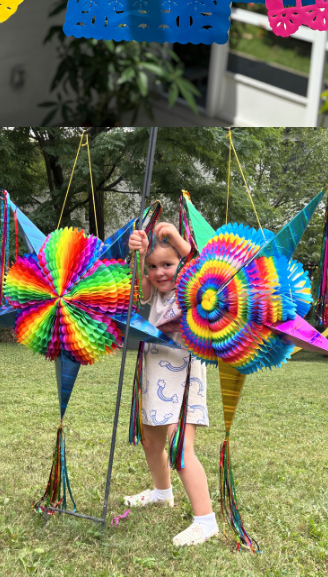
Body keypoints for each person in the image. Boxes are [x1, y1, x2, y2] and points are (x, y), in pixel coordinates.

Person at [122, 221, 218, 547]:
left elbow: (201, 268)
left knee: (180, 449)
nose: (159, 272)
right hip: (153, 375)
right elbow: (140, 290)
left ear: (181, 264)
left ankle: (205, 521)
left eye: (167, 264)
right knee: (152, 443)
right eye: (153, 266)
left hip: (185, 378)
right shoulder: (154, 294)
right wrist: (139, 255)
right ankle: (162, 493)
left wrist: (178, 239)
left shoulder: (192, 290)